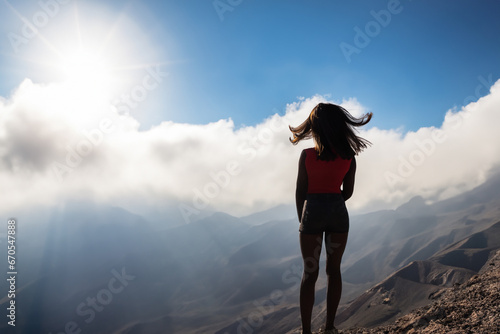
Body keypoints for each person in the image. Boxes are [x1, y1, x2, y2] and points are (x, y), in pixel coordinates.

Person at [289, 103, 372, 334]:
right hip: (338, 214)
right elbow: (348, 192)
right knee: (333, 271)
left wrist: (302, 221)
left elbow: (300, 191)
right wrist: (333, 200)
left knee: (309, 274)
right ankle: (329, 328)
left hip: (312, 213)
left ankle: (306, 331)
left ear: (315, 128)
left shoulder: (306, 156)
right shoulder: (349, 158)